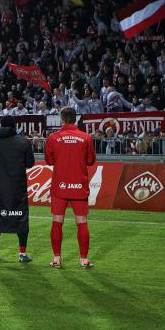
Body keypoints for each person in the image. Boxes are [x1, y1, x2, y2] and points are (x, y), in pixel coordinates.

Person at [45, 107, 97, 269]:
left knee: (57, 222)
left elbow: (49, 160)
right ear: (75, 119)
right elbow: (90, 161)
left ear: (62, 119)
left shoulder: (53, 137)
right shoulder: (85, 137)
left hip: (60, 186)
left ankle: (56, 258)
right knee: (81, 222)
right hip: (79, 186)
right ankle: (83, 259)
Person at [0, 115, 34, 263]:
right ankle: (22, 254)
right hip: (17, 187)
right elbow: (30, 163)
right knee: (21, 219)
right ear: (14, 126)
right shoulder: (23, 141)